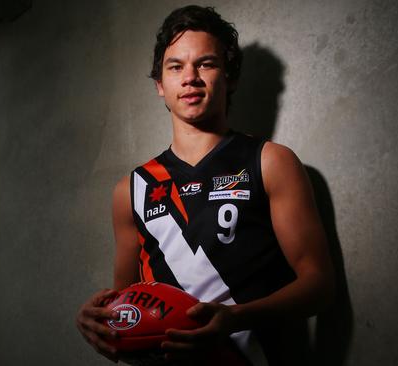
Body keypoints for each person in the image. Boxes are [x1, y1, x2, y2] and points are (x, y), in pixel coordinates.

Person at [75, 5, 334, 365]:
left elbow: (319, 286)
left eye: (206, 64)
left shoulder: (270, 161)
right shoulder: (131, 189)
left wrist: (236, 320)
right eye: (176, 66)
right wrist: (99, 321)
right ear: (160, 86)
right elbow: (127, 305)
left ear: (230, 78)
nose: (190, 77)